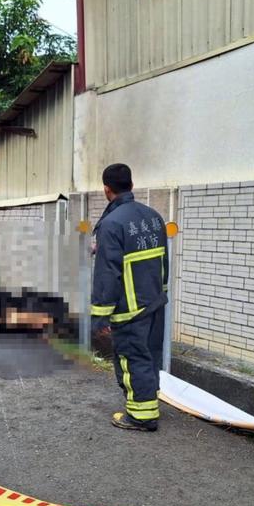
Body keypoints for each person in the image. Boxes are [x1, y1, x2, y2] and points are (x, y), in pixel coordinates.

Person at [91, 163, 169, 432]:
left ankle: (142, 417)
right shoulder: (153, 217)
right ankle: (148, 401)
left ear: (106, 189)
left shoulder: (111, 224)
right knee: (149, 355)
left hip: (130, 310)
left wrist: (100, 314)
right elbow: (162, 260)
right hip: (155, 303)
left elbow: (107, 273)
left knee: (133, 358)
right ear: (132, 185)